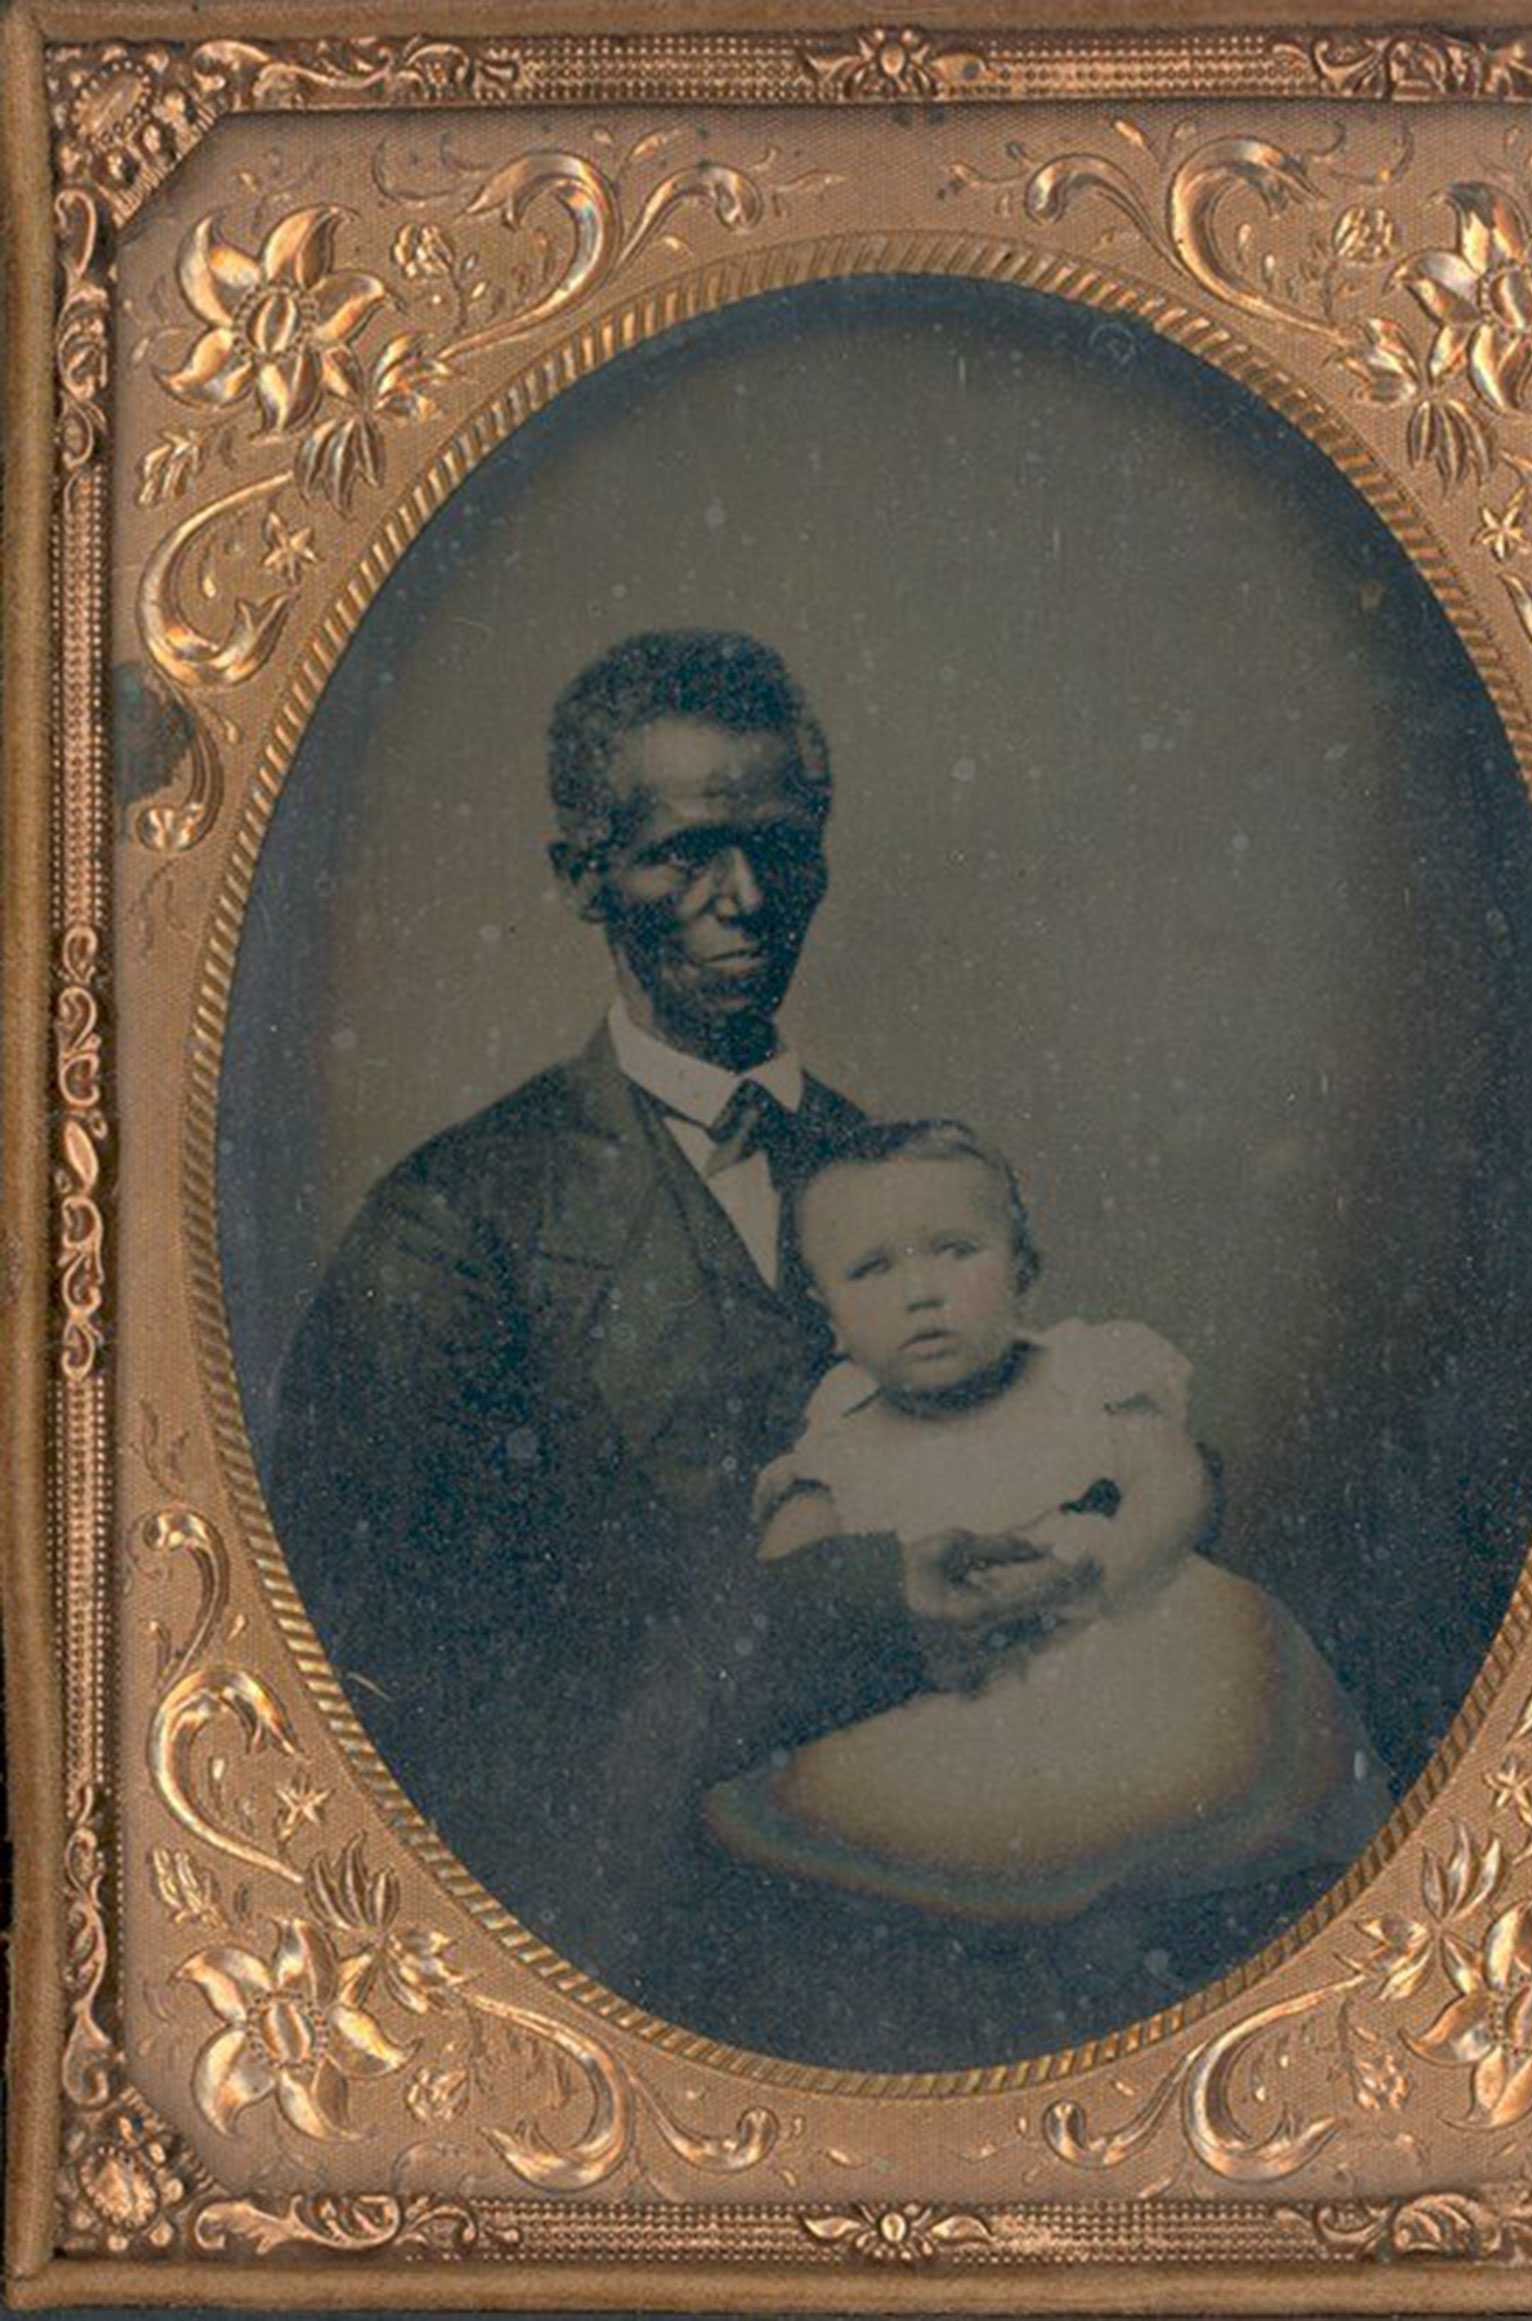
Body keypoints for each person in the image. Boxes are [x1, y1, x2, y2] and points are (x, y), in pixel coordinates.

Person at [268, 633, 1086, 2029]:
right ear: (582, 876)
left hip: (926, 1930)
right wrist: (854, 1606)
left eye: (780, 848)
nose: (744, 899)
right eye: (684, 855)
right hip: (615, 1947)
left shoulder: (903, 1185)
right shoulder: (454, 1222)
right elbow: (375, 1662)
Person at [705, 1120, 1391, 1922]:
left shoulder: (1084, 1372)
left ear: (1022, 1267)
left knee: (1212, 1795)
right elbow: (785, 1578)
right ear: (829, 1314)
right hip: (953, 1694)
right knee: (956, 1860)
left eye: (956, 1251)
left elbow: (1175, 1480)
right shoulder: (838, 1441)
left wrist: (1109, 1570)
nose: (921, 1292)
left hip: (1118, 1640)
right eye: (872, 1269)